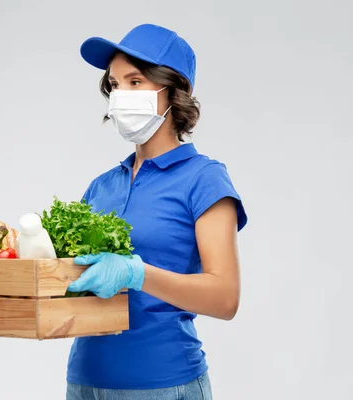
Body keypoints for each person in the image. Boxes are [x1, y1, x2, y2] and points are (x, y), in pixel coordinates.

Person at [65, 23, 248, 400]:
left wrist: (137, 273)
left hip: (163, 385)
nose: (120, 95)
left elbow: (225, 297)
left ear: (172, 92)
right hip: (85, 383)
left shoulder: (204, 179)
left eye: (135, 82)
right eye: (114, 85)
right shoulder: (102, 186)